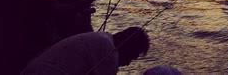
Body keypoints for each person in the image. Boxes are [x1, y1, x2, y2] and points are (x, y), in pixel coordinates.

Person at [20, 27, 150, 75]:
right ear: (126, 46)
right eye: (131, 57)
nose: (127, 63)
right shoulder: (108, 52)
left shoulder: (102, 38)